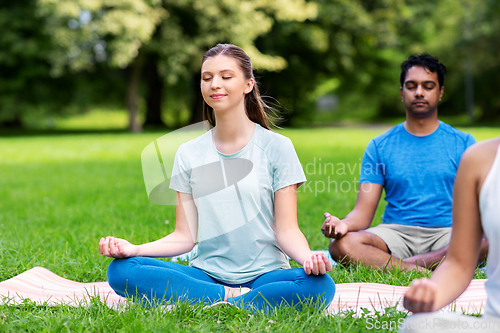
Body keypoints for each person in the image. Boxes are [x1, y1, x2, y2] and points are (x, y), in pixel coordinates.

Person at [99, 43, 335, 312]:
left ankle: (214, 299)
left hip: (266, 275)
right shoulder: (188, 153)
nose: (214, 85)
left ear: (247, 84)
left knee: (320, 285)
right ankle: (234, 299)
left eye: (226, 76)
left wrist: (309, 259)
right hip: (206, 274)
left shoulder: (277, 147)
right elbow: (184, 237)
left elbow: (287, 230)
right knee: (122, 270)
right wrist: (135, 249)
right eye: (207, 78)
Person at [321, 53, 488, 271]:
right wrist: (343, 224)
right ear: (402, 93)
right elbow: (363, 212)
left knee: (491, 237)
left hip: (449, 233)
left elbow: (480, 205)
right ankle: (423, 269)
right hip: (396, 234)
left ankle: (399, 267)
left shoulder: (464, 142)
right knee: (341, 245)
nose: (419, 92)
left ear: (440, 93)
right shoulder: (379, 146)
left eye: (428, 86)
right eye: (411, 86)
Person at [400, 137, 500, 332]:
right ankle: (406, 265)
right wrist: (431, 295)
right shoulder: (479, 159)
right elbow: (458, 263)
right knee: (417, 326)